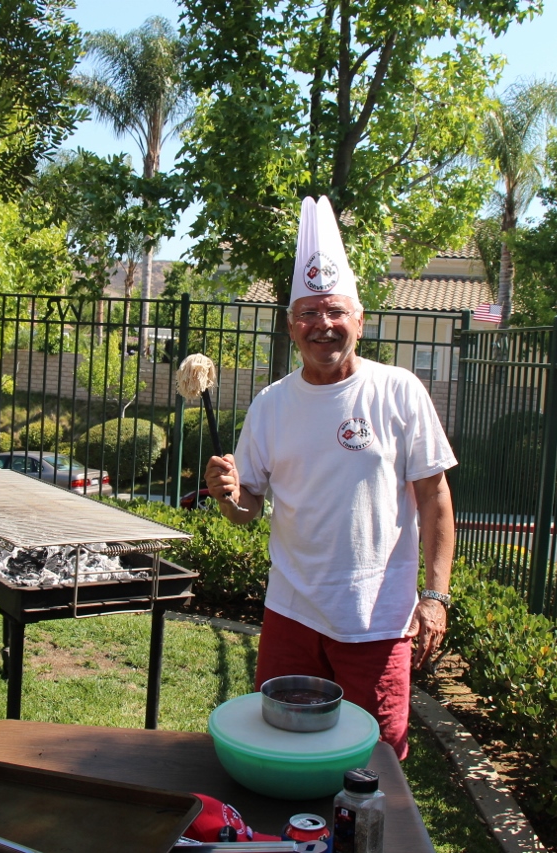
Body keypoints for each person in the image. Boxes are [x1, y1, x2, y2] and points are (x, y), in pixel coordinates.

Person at [204, 196, 456, 760]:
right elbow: (247, 508)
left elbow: (435, 497)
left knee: (375, 761)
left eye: (335, 311)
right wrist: (228, 495)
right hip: (291, 614)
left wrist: (435, 597)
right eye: (309, 313)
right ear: (291, 326)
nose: (323, 324)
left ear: (359, 321)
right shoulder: (271, 405)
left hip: (377, 621)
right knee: (283, 747)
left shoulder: (399, 391)